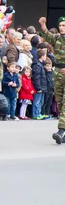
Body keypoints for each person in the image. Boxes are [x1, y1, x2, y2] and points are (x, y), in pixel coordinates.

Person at [38, 16, 65, 144]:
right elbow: (47, 36)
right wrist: (43, 24)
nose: (61, 28)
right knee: (60, 103)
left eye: (64, 26)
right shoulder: (58, 38)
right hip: (58, 73)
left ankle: (61, 130)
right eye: (60, 25)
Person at [31, 50, 48, 120]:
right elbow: (36, 77)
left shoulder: (41, 65)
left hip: (43, 86)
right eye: (45, 55)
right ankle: (36, 114)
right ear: (42, 56)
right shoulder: (37, 65)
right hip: (39, 87)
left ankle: (39, 113)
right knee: (37, 101)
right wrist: (38, 88)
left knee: (41, 101)